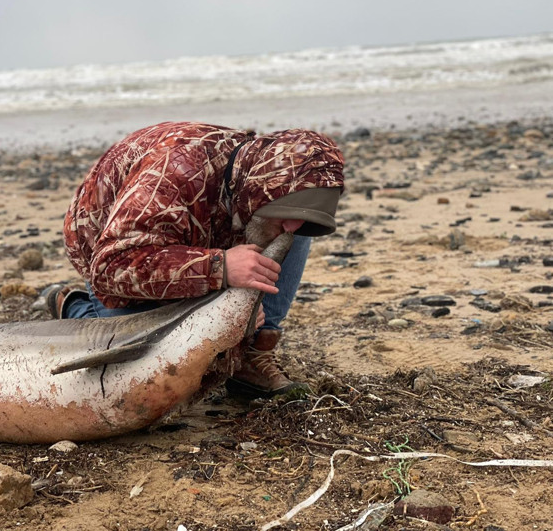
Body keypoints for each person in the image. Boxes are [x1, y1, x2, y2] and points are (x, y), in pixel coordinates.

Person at [43, 121, 344, 399]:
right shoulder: (174, 174)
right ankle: (75, 305)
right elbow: (111, 267)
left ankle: (251, 354)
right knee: (139, 365)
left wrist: (244, 307)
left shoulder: (256, 186)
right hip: (114, 251)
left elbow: (285, 220)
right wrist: (220, 268)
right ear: (261, 184)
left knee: (289, 223)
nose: (293, 228)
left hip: (206, 236)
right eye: (289, 212)